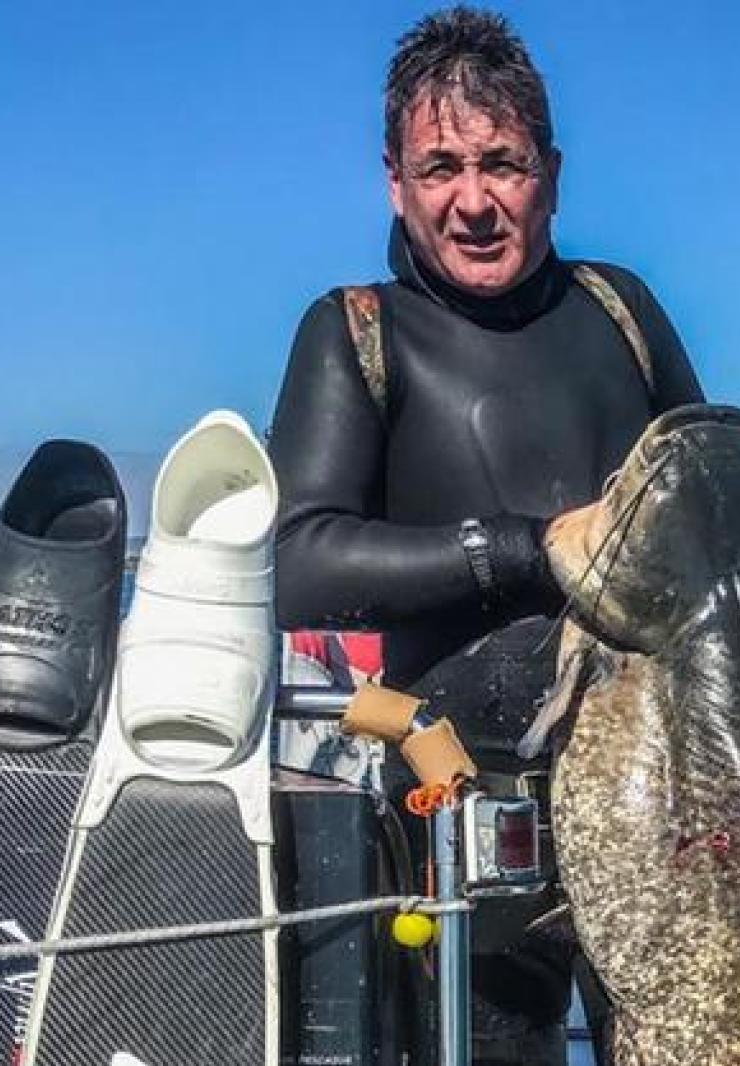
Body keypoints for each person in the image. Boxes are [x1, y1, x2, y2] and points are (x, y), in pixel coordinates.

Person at [267, 7, 704, 1063]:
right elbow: (299, 563)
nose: (472, 201)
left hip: (663, 806)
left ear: (548, 171)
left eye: (501, 164)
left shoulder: (621, 310)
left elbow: (710, 521)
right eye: (440, 168)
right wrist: (526, 547)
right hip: (458, 814)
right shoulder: (357, 330)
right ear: (394, 181)